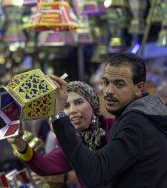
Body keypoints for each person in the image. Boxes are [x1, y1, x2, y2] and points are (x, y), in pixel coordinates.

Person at [50, 53, 167, 188]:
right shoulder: (145, 114)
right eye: (106, 82)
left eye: (119, 84)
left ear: (139, 88)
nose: (108, 91)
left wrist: (59, 116)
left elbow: (95, 174)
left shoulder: (136, 123)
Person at [10, 81, 114, 188]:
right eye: (66, 106)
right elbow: (45, 165)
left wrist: (67, 177)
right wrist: (19, 143)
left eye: (79, 102)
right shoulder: (67, 140)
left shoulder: (112, 127)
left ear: (93, 104)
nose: (72, 110)